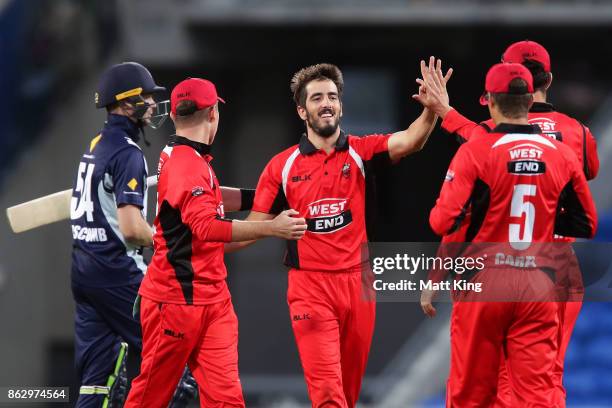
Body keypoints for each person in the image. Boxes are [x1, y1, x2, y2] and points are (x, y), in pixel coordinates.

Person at [228, 59, 448, 407]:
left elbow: (410, 141)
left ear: (341, 105)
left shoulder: (361, 151)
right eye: (317, 98)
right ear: (302, 111)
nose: (326, 103)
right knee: (329, 394)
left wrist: (432, 111)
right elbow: (250, 230)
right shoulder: (281, 166)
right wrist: (200, 239)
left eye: (332, 96)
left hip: (359, 285)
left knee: (348, 392)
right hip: (310, 288)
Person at [424, 41, 599, 407]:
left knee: (487, 385)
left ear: (493, 97)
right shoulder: (577, 137)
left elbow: (453, 218)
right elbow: (587, 192)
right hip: (554, 270)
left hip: (492, 267)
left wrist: (446, 111)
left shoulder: (485, 136)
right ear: (548, 79)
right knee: (546, 380)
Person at [124, 77, 307, 408]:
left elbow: (210, 198)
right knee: (149, 398)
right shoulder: (186, 165)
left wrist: (266, 200)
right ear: (212, 114)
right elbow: (207, 226)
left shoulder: (184, 157)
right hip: (176, 302)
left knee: (227, 401)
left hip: (213, 301)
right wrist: (272, 228)